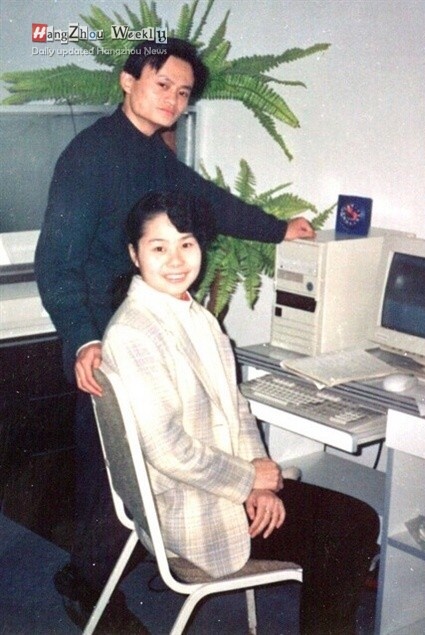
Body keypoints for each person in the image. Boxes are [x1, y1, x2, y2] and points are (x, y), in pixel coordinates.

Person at [34, 38, 315, 632]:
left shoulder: (150, 153)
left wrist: (277, 230)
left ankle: (118, 566)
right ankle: (89, 589)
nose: (173, 100)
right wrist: (82, 339)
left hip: (139, 321)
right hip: (103, 336)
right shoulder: (90, 156)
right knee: (112, 477)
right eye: (163, 85)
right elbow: (55, 262)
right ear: (127, 80)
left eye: (184, 93)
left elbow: (208, 203)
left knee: (135, 476)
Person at [100, 191, 379, 634]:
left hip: (217, 487)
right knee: (351, 527)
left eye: (186, 244)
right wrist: (248, 479)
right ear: (135, 255)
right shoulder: (134, 332)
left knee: (345, 522)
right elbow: (167, 449)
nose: (176, 260)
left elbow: (236, 407)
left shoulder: (194, 315)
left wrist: (259, 481)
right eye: (159, 248)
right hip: (192, 511)